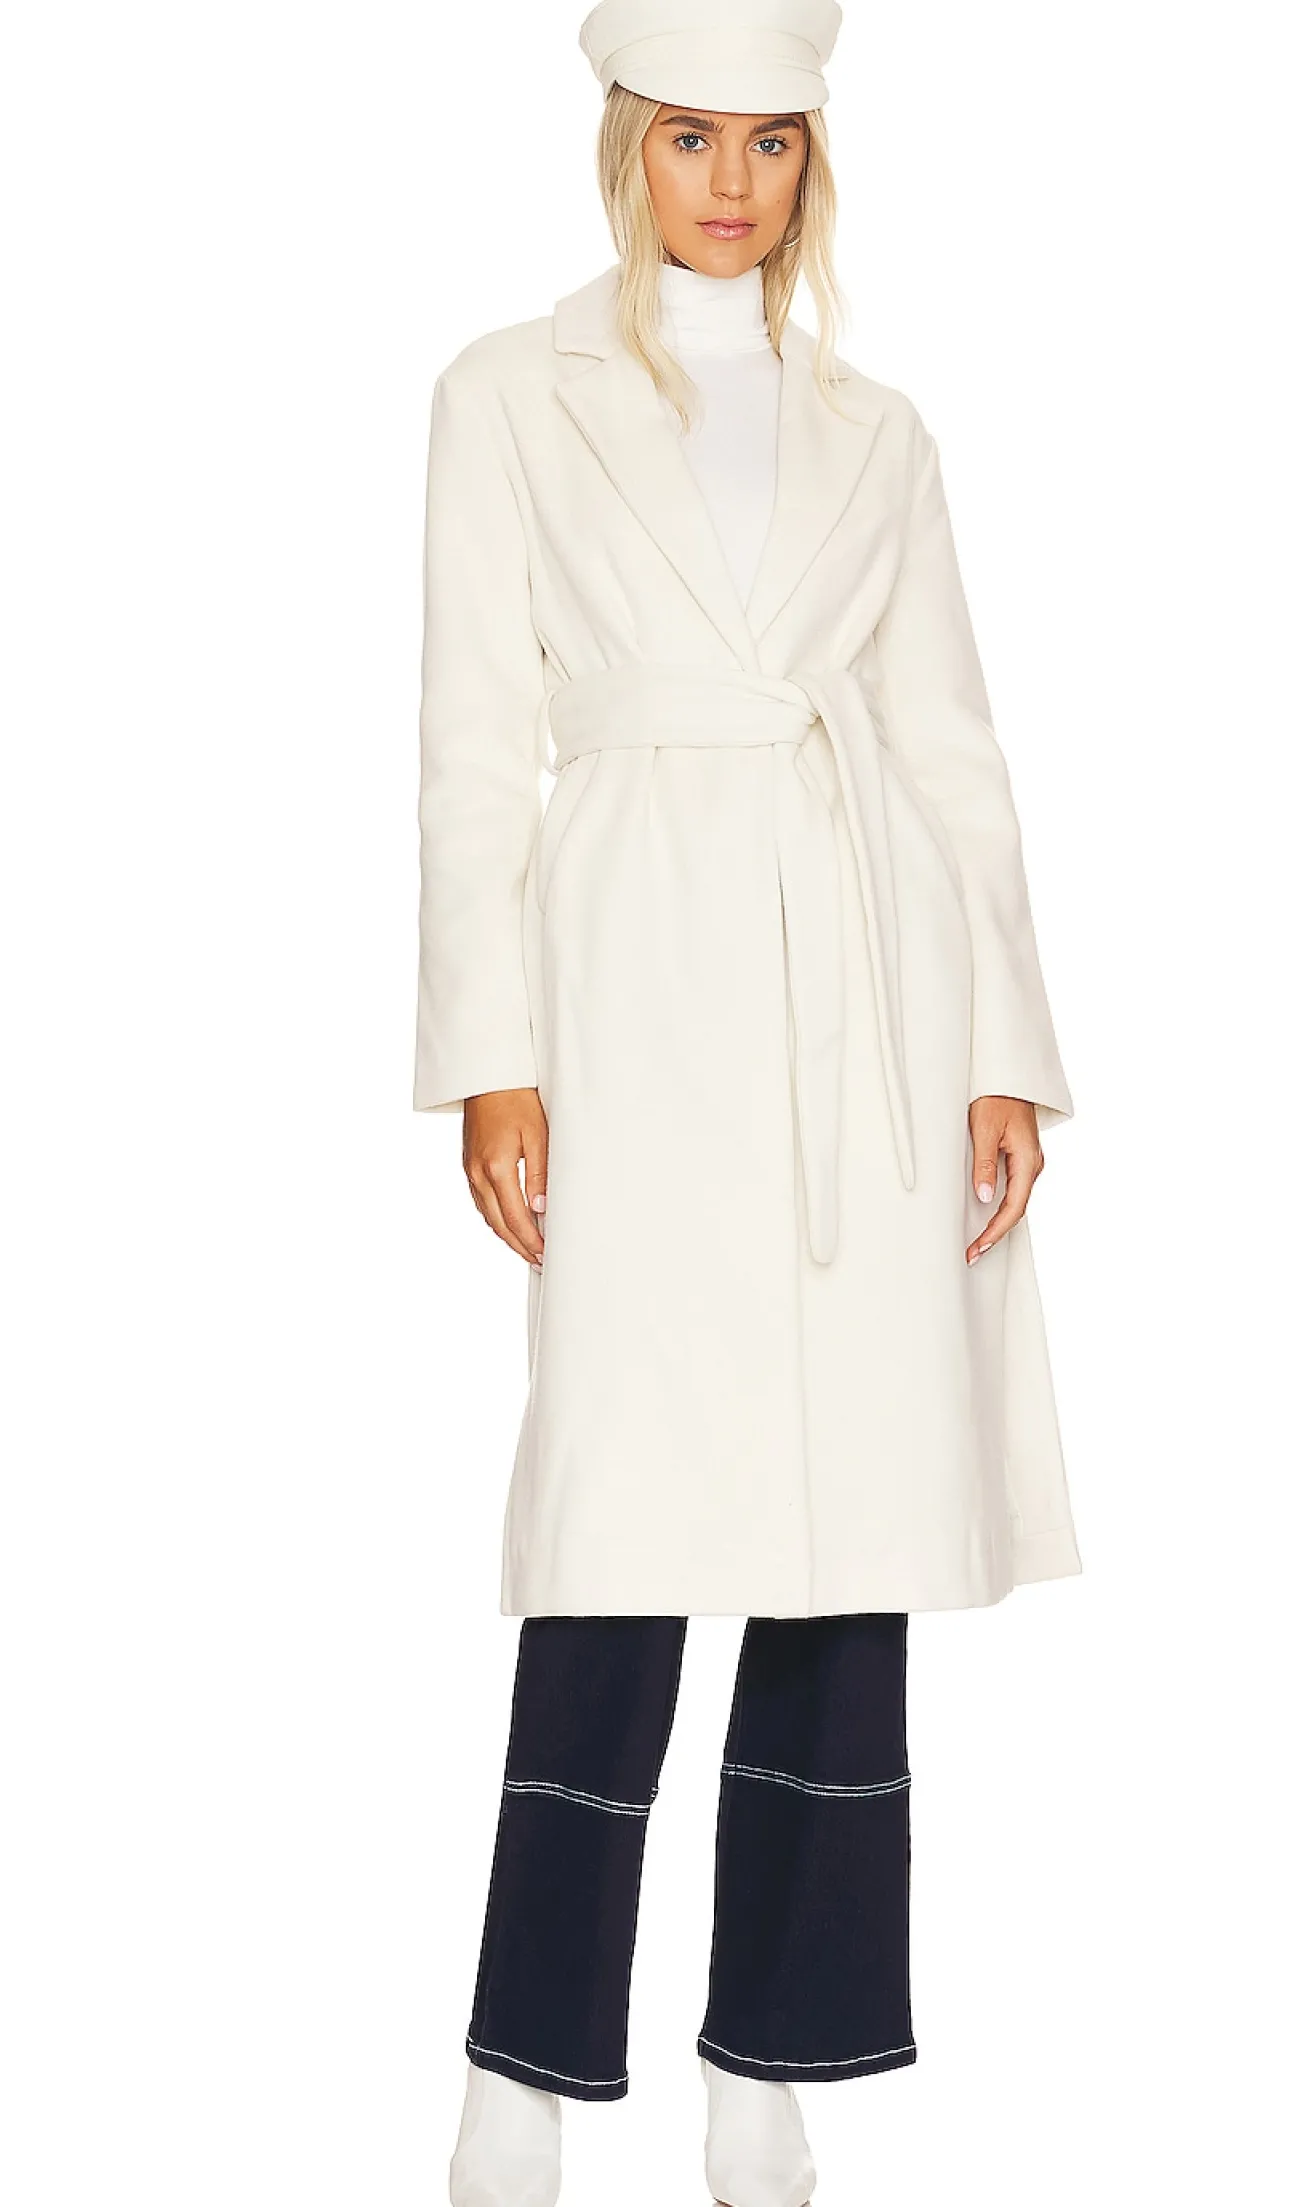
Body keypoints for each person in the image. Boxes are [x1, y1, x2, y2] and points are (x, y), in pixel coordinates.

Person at [413, 4, 1081, 2200]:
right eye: (691, 137)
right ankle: (522, 2071)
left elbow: (950, 739)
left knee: (839, 1533)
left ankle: (764, 2060)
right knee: (617, 1527)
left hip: (868, 1001)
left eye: (767, 143)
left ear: (812, 159)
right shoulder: (506, 394)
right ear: (627, 142)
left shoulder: (878, 432)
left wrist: (1001, 1048)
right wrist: (491, 1051)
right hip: (631, 977)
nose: (729, 181)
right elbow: (469, 738)